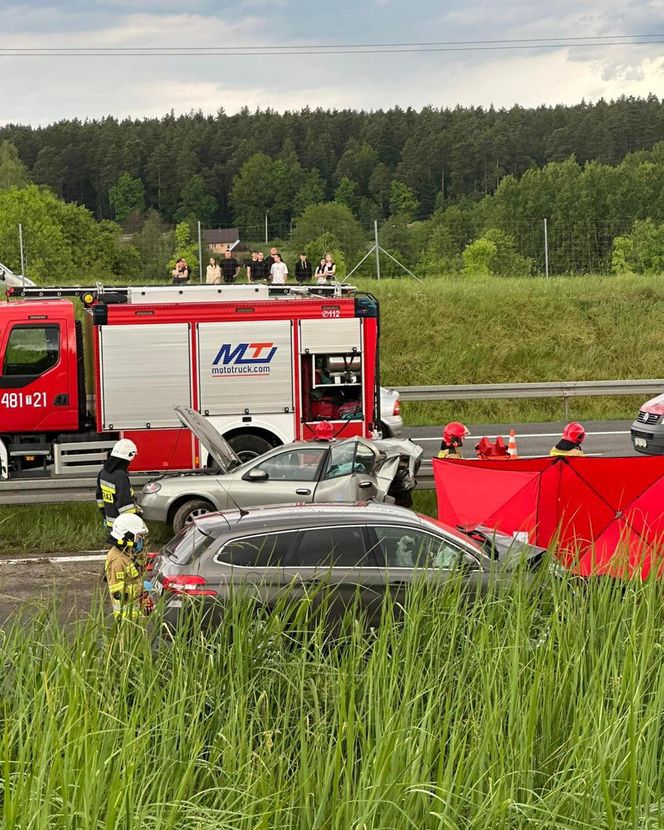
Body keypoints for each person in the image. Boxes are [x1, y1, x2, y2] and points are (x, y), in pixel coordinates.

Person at [105, 513, 151, 620]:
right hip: (126, 617)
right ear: (127, 537)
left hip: (134, 611)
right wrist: (140, 589)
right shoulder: (118, 559)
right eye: (139, 537)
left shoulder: (126, 553)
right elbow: (118, 593)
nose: (142, 540)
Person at [96, 438, 140, 536]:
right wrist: (132, 522)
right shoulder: (120, 475)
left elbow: (99, 497)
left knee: (115, 548)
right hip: (122, 525)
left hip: (110, 522)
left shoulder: (103, 472)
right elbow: (125, 504)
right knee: (126, 551)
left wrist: (104, 515)